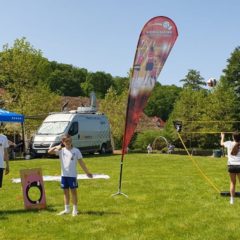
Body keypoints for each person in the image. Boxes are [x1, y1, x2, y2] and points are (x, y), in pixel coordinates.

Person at [48, 134, 93, 216]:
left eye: (69, 140)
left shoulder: (76, 151)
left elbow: (81, 163)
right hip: (64, 175)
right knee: (65, 192)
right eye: (66, 141)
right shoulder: (61, 150)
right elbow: (49, 152)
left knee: (74, 192)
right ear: (63, 142)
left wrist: (87, 172)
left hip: (72, 176)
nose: (68, 142)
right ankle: (67, 209)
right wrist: (56, 147)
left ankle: (75, 210)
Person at [220, 132, 240, 204]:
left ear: (233, 137)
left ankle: (232, 200)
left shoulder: (229, 143)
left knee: (232, 183)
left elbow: (221, 143)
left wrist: (222, 136)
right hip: (239, 166)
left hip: (231, 166)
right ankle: (232, 199)